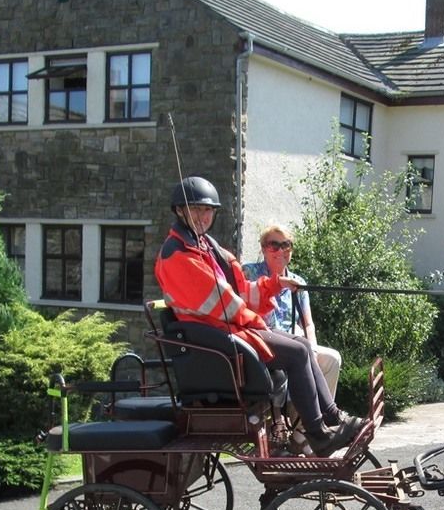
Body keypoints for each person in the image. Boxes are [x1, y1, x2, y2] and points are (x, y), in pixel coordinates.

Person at [154, 176, 364, 457]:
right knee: (297, 353)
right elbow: (226, 306)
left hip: (225, 330)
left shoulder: (203, 247)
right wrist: (260, 323)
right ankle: (318, 434)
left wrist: (275, 284)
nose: (203, 216)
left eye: (208, 211)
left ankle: (332, 417)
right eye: (196, 210)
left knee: (301, 346)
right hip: (216, 340)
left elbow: (240, 291)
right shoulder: (179, 255)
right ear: (180, 210)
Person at [242, 224, 341, 396]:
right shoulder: (249, 273)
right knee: (299, 355)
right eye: (274, 245)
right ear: (264, 249)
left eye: (285, 245)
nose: (280, 251)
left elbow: (307, 323)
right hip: (263, 344)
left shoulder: (298, 282)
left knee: (332, 359)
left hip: (296, 343)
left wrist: (314, 348)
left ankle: (305, 419)